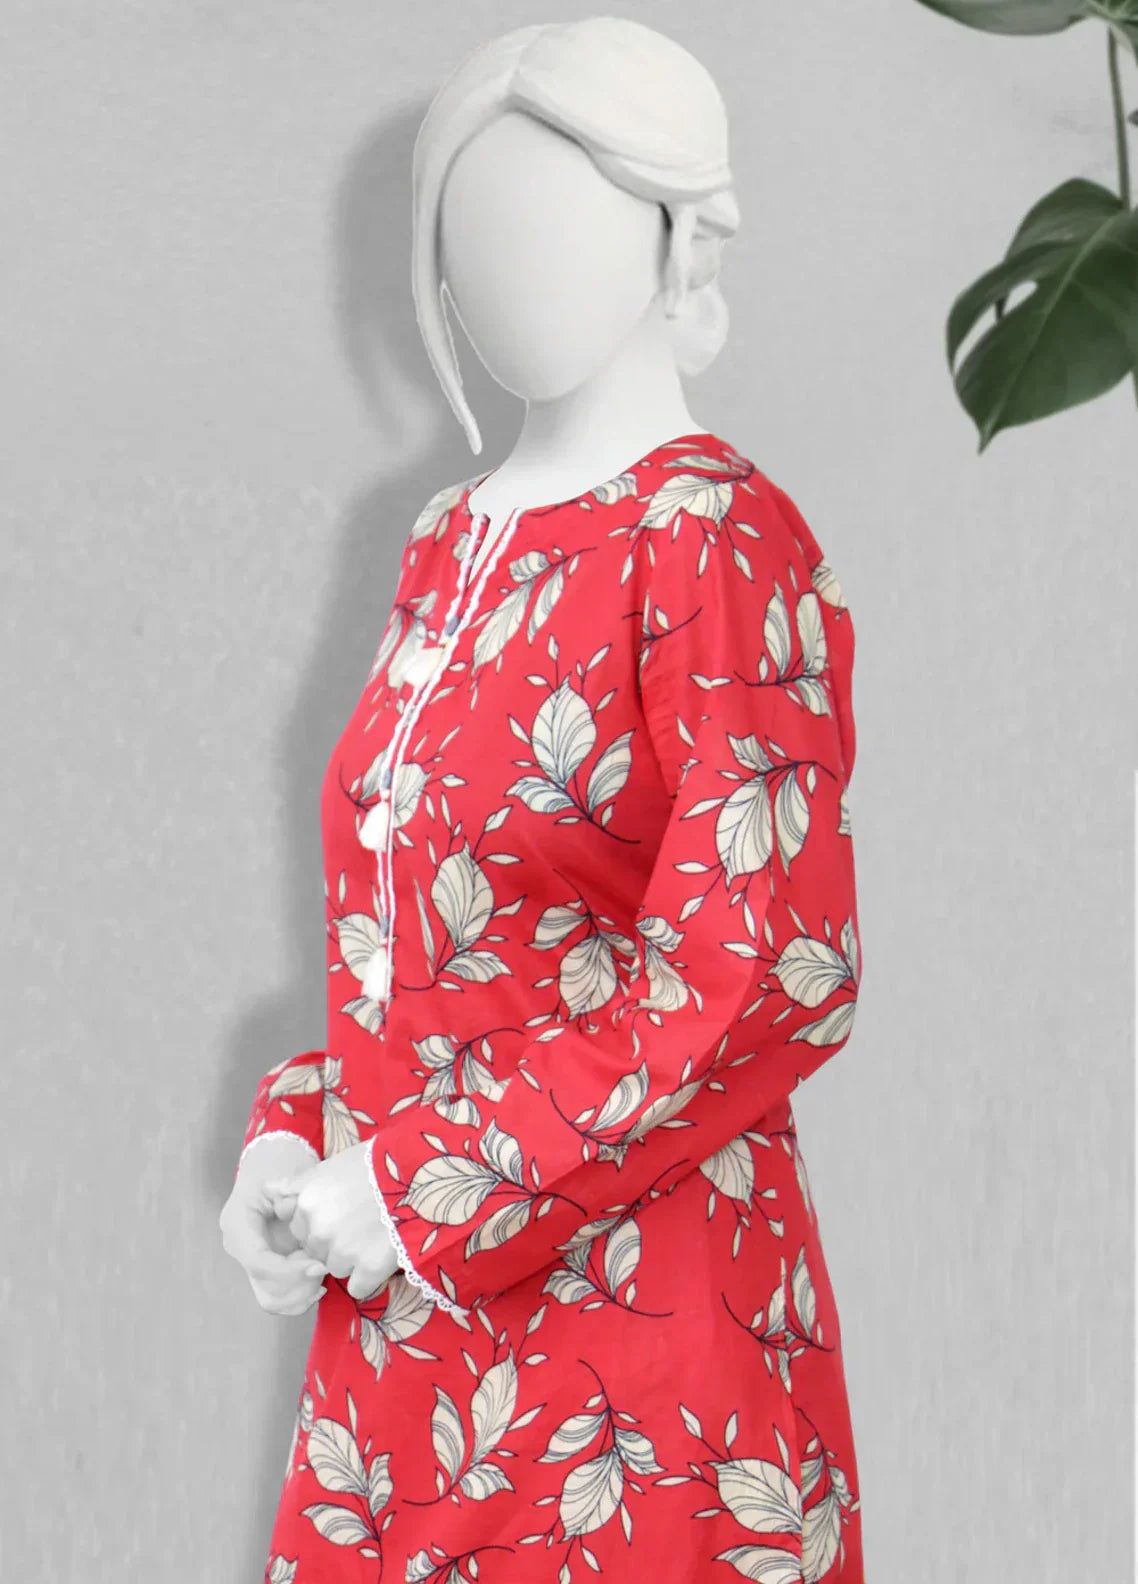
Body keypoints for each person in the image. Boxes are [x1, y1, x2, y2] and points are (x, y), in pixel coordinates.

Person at [219, 18, 866, 1580]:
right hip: (405, 1358)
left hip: (636, 1379)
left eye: (560, 210)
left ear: (677, 236)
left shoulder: (714, 539)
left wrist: (420, 1189)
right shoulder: (448, 539)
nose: (513, 261)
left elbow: (767, 974)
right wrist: (295, 1141)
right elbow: (430, 951)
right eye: (475, 220)